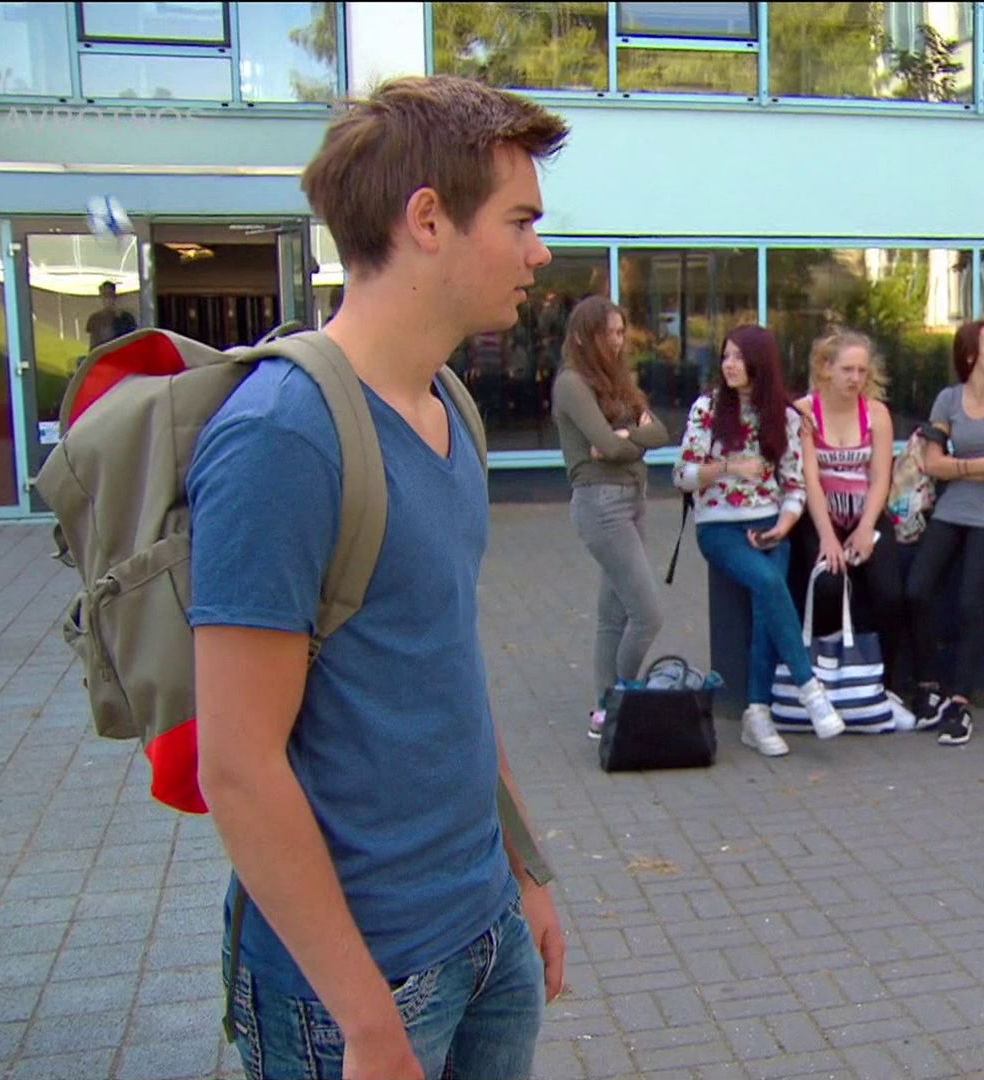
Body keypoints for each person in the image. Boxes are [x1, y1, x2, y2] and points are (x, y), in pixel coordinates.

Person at [187, 77, 568, 1080]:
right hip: (357, 985)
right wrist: (364, 1023)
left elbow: (444, 665)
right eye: (521, 220)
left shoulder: (449, 406)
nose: (539, 252)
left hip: (485, 929)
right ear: (428, 220)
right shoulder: (284, 437)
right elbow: (237, 766)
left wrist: (523, 871)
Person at [674, 324, 846, 756]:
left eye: (739, 357)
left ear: (759, 363)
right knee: (770, 584)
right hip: (719, 527)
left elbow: (795, 484)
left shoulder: (786, 417)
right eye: (725, 356)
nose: (729, 365)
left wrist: (784, 526)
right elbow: (682, 475)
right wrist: (729, 467)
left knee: (767, 610)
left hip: (771, 524)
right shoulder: (707, 409)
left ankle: (757, 713)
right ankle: (810, 689)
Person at [904, 319, 984, 746]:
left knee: (971, 603)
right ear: (971, 355)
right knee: (917, 589)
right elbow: (931, 463)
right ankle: (928, 687)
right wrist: (983, 465)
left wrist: (958, 465)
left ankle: (959, 703)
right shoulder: (948, 399)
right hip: (950, 509)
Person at [553, 295, 668, 739]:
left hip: (634, 498)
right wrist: (627, 438)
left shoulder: (618, 381)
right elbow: (609, 445)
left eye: (622, 332)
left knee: (614, 612)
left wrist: (625, 437)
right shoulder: (571, 384)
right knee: (647, 614)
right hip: (601, 504)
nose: (619, 342)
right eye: (610, 333)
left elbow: (659, 432)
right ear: (586, 336)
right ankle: (622, 697)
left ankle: (605, 711)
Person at [790, 330, 910, 702]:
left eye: (861, 370)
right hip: (820, 514)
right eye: (847, 370)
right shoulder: (804, 412)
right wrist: (827, 537)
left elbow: (881, 477)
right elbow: (809, 479)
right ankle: (826, 681)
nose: (855, 378)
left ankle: (887, 687)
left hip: (865, 513)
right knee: (827, 584)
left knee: (889, 593)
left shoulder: (876, 414)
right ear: (826, 368)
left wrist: (865, 528)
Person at [85, 280, 138, 347]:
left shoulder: (126, 318)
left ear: (114, 296)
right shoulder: (94, 319)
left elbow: (132, 340)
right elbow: (93, 344)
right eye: (105, 295)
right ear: (101, 297)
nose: (108, 299)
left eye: (110, 294)